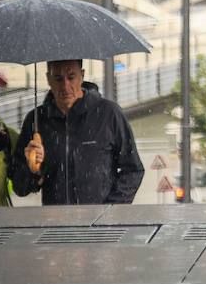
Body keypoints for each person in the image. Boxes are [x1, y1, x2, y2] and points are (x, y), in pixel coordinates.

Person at [10, 59, 144, 204]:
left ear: (82, 75)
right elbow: (20, 188)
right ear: (48, 79)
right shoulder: (35, 120)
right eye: (58, 79)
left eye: (71, 77)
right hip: (56, 221)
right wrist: (33, 170)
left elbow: (133, 170)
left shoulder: (109, 113)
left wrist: (110, 209)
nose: (65, 86)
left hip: (100, 222)